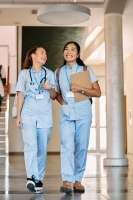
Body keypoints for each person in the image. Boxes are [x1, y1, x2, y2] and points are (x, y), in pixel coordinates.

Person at [55, 41, 101, 194]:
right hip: (67, 115)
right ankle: (67, 180)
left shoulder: (85, 70)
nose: (69, 51)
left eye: (73, 49)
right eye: (66, 49)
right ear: (63, 53)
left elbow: (97, 92)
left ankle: (78, 180)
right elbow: (57, 94)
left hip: (83, 113)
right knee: (67, 146)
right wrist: (63, 104)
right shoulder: (58, 71)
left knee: (81, 147)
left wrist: (80, 88)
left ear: (78, 54)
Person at [15, 46, 57, 194]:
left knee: (42, 148)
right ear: (32, 55)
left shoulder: (50, 74)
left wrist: (51, 87)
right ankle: (31, 177)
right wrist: (18, 116)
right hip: (29, 113)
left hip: (45, 115)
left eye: (46, 53)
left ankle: (38, 178)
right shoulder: (24, 74)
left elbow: (53, 96)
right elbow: (20, 95)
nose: (45, 55)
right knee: (30, 145)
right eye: (42, 52)